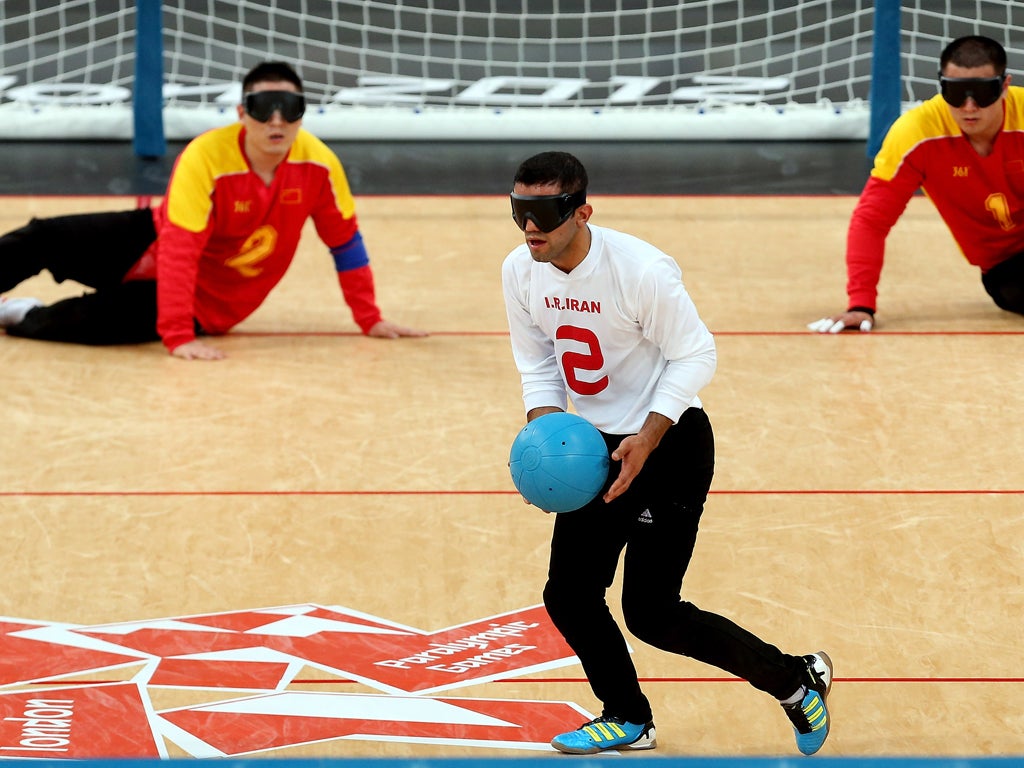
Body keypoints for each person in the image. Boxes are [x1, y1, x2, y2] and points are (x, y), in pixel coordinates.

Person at [501, 151, 833, 756]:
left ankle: (794, 680)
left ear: (582, 212)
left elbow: (696, 354)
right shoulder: (521, 271)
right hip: (592, 453)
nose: (531, 228)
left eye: (545, 213)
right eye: (520, 211)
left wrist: (648, 437)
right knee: (569, 595)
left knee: (652, 612)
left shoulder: (641, 270)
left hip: (670, 445)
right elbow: (538, 363)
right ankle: (627, 716)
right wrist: (545, 440)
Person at [0, 61, 425, 358]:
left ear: (301, 115)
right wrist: (176, 336)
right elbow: (180, 248)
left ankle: (19, 313)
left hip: (212, 301)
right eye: (262, 108)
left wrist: (370, 319)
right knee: (42, 237)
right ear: (242, 113)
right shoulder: (206, 155)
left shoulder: (320, 166)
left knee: (84, 322)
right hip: (152, 238)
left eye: (290, 109)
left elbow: (346, 245)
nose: (276, 121)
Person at [810, 35, 1024, 333]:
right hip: (1008, 269)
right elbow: (871, 220)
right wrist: (861, 304)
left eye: (983, 92)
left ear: (1004, 86)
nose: (969, 106)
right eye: (956, 92)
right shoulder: (917, 134)